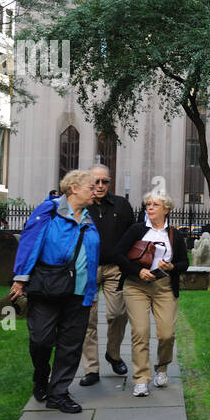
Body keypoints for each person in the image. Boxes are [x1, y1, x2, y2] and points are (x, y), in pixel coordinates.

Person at [8, 170, 100, 414]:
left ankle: (58, 393)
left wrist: (91, 292)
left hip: (79, 291)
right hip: (48, 286)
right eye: (91, 186)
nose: (96, 190)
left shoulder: (90, 219)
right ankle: (41, 376)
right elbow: (31, 241)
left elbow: (91, 259)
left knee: (70, 344)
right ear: (73, 189)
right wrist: (20, 278)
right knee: (41, 338)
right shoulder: (49, 211)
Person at [115, 191, 189, 397]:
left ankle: (162, 368)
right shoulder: (137, 230)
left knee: (166, 334)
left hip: (164, 286)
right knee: (140, 331)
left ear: (166, 209)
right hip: (136, 285)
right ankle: (140, 378)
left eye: (155, 204)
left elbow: (185, 263)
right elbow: (118, 254)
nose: (150, 207)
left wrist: (172, 265)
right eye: (148, 204)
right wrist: (137, 270)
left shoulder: (175, 235)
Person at [79, 163, 135, 386]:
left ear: (110, 183)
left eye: (105, 181)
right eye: (96, 181)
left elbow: (133, 235)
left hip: (115, 268)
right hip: (88, 269)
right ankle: (91, 369)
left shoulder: (121, 205)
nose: (100, 186)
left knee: (118, 314)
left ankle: (113, 353)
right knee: (88, 320)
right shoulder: (82, 205)